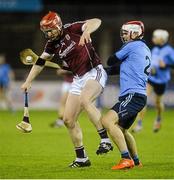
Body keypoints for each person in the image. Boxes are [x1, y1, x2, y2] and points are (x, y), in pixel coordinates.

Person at [19, 11, 113, 167]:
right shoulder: (51, 44)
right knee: (68, 120)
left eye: (50, 30)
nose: (48, 34)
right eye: (45, 32)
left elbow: (97, 20)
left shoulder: (73, 29)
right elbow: (40, 62)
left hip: (94, 71)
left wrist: (88, 30)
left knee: (85, 100)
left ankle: (105, 139)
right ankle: (82, 158)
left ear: (58, 25)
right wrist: (28, 81)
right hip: (78, 79)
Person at [101, 21, 151, 170]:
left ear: (135, 33)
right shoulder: (143, 48)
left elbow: (111, 61)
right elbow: (115, 69)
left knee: (107, 120)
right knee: (122, 130)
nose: (123, 35)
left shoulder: (132, 46)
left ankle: (125, 158)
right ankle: (135, 161)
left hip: (132, 95)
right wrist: (95, 70)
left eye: (125, 32)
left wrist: (97, 66)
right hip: (139, 96)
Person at [133, 29, 174, 133]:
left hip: (161, 81)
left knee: (158, 102)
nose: (153, 39)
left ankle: (159, 118)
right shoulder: (155, 49)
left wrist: (166, 66)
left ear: (162, 39)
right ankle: (139, 124)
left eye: (155, 37)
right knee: (143, 99)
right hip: (151, 78)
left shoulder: (169, 50)